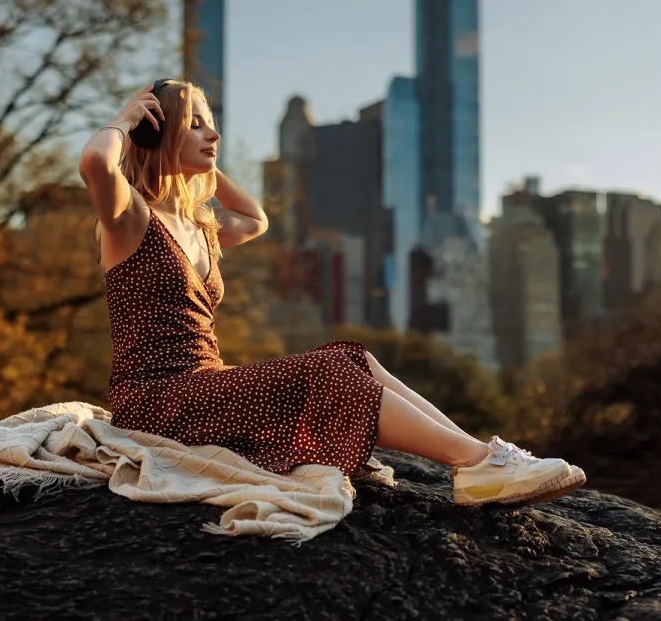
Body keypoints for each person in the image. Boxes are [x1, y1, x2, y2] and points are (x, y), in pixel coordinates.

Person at [78, 80, 585, 506]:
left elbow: (257, 220)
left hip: (207, 386)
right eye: (195, 123)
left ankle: (479, 457)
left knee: (352, 357)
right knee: (326, 371)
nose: (214, 133)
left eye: (211, 122)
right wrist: (125, 122)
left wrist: (200, 160)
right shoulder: (130, 219)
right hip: (155, 400)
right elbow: (98, 166)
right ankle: (474, 464)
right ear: (154, 130)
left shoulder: (199, 224)